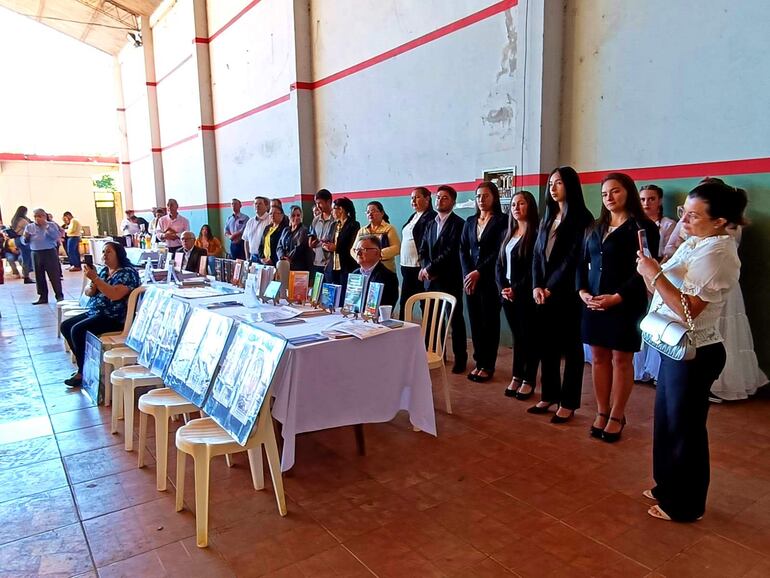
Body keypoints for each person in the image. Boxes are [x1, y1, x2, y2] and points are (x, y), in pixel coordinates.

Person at [636, 180, 745, 523]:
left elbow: (688, 308)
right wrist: (648, 271)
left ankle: (686, 504)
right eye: (684, 212)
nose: (684, 221)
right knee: (667, 422)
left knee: (686, 429)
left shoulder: (719, 253)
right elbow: (660, 293)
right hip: (675, 343)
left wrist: (655, 275)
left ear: (719, 221)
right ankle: (666, 483)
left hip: (697, 348)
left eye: (693, 216)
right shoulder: (697, 242)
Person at [578, 173, 659, 441]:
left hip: (624, 303)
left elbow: (644, 270)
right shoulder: (594, 227)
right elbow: (581, 262)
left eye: (615, 191)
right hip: (593, 301)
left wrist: (618, 297)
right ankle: (601, 411)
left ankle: (617, 414)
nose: (609, 198)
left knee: (621, 359)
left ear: (628, 193)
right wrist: (582, 292)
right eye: (604, 194)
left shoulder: (642, 227)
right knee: (598, 357)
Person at [529, 166, 594, 422]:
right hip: (542, 293)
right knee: (547, 346)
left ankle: (568, 402)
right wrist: (536, 285)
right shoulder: (548, 216)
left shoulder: (581, 218)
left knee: (571, 348)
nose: (553, 188)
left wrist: (550, 287)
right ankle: (549, 395)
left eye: (558, 183)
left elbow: (573, 258)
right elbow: (536, 255)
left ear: (571, 185)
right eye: (551, 184)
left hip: (566, 293)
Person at [60, 241, 141, 388]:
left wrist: (96, 279)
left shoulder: (127, 272)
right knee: (66, 326)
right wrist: (93, 280)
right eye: (103, 252)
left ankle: (82, 372)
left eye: (109, 252)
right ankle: (84, 366)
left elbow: (114, 295)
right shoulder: (104, 271)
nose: (105, 255)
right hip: (97, 311)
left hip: (114, 316)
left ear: (119, 254)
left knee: (77, 330)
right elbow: (89, 292)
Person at [460, 181, 507, 383]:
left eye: (486, 195)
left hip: (490, 279)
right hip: (471, 280)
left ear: (494, 198)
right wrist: (468, 273)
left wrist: (479, 271)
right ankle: (478, 362)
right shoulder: (470, 221)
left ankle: (488, 365)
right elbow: (462, 249)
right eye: (478, 196)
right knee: (476, 323)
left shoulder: (502, 220)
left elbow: (499, 251)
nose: (481, 199)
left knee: (490, 323)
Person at [418, 185, 468, 373]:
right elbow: (423, 248)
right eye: (438, 197)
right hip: (430, 280)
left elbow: (451, 252)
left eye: (445, 198)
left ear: (453, 202)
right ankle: (437, 353)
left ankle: (461, 358)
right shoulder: (431, 223)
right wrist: (425, 268)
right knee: (432, 319)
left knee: (454, 319)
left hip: (449, 278)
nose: (440, 200)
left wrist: (430, 268)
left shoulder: (459, 224)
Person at [496, 190, 539, 399]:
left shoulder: (536, 234)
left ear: (530, 207)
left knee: (528, 337)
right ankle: (516, 375)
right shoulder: (509, 233)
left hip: (525, 294)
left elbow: (534, 268)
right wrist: (503, 287)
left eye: (521, 204)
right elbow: (499, 264)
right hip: (508, 293)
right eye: (513, 204)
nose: (516, 208)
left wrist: (517, 289)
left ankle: (528, 378)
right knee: (517, 337)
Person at [400, 187, 436, 318]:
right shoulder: (413, 216)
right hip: (407, 267)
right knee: (405, 304)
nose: (413, 201)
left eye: (417, 197)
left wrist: (425, 265)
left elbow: (428, 244)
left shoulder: (431, 217)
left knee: (426, 306)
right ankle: (403, 336)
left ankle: (430, 337)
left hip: (420, 269)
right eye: (411, 198)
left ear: (427, 199)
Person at [23, 209, 64, 304]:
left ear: (44, 216)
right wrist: (26, 237)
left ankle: (59, 295)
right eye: (35, 216)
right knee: (39, 275)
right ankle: (43, 296)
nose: (37, 218)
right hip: (36, 252)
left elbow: (56, 237)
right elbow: (24, 241)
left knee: (54, 275)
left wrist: (46, 227)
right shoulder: (29, 227)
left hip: (49, 252)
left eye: (39, 216)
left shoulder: (52, 225)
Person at [323, 197, 360, 294]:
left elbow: (352, 245)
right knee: (334, 293)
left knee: (345, 293)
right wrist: (326, 246)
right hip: (333, 265)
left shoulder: (353, 225)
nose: (332, 211)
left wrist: (336, 248)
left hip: (347, 264)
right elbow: (328, 240)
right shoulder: (333, 225)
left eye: (333, 208)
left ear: (341, 209)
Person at [351, 235, 399, 308]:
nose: (358, 253)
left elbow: (385, 308)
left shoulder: (388, 277)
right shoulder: (355, 274)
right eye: (357, 250)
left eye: (363, 249)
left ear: (377, 252)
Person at [354, 201, 400, 272]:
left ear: (382, 213)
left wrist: (376, 255)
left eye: (373, 211)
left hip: (386, 269)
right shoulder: (362, 231)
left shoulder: (389, 228)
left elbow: (396, 248)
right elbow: (353, 249)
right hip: (366, 269)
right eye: (368, 212)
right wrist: (360, 257)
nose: (370, 214)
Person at [640, 185, 676, 258]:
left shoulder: (668, 224)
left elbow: (668, 254)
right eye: (642, 199)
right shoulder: (633, 223)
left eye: (651, 199)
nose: (646, 203)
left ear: (660, 201)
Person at [277, 205, 314, 271]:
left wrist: (288, 258)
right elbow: (279, 246)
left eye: (298, 215)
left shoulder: (304, 230)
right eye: (293, 215)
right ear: (289, 217)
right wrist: (282, 257)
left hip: (298, 266)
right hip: (284, 265)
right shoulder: (286, 230)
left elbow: (299, 247)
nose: (296, 218)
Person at [309, 189, 335, 278]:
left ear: (328, 202)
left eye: (320, 203)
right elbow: (311, 241)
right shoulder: (315, 220)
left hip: (331, 264)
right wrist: (312, 243)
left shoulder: (335, 220)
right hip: (317, 262)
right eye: (316, 203)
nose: (318, 206)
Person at [11, 206, 34, 284]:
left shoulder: (14, 220)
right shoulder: (22, 220)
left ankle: (26, 275)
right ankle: (26, 276)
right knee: (26, 258)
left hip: (17, 240)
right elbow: (30, 228)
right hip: (22, 239)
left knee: (25, 257)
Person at [243, 196, 270, 261]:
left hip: (266, 257)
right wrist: (247, 257)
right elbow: (246, 240)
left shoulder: (270, 220)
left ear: (266, 206)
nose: (257, 206)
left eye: (260, 203)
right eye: (255, 204)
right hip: (253, 257)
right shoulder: (250, 221)